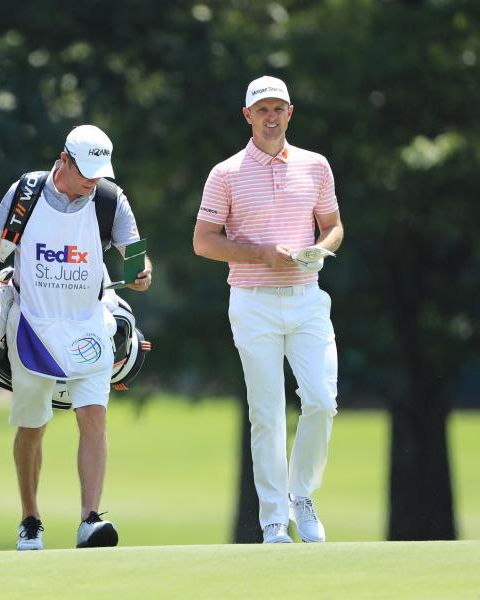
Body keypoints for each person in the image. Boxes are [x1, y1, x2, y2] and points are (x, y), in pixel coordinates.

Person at [0, 125, 152, 551]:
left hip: (88, 325)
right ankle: (30, 518)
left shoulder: (110, 199)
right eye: (85, 170)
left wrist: (143, 275)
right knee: (32, 426)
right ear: (64, 159)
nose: (92, 180)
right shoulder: (26, 193)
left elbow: (137, 262)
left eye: (98, 171)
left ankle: (90, 519)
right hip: (32, 327)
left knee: (94, 417)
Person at [193, 76, 344, 544]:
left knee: (321, 400)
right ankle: (274, 518)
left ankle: (303, 497)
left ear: (290, 113)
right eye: (263, 110)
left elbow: (334, 226)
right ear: (248, 116)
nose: (271, 117)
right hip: (253, 302)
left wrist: (320, 249)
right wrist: (261, 253)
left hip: (307, 298)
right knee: (268, 413)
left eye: (279, 109)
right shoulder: (226, 173)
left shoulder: (316, 166)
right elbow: (203, 242)